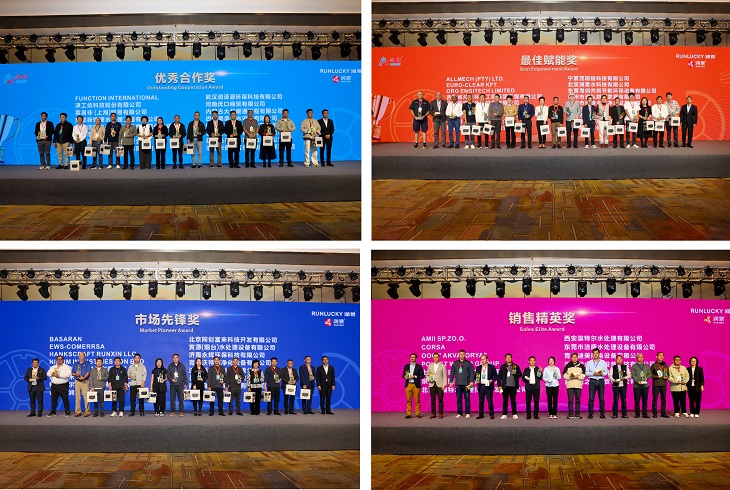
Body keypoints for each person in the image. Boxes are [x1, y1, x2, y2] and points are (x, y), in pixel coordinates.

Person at [449, 349, 474, 418]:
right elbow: (452, 373)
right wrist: (451, 381)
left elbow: (472, 373)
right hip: (458, 384)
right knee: (459, 400)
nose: (462, 355)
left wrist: (471, 381)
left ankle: (467, 413)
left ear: (465, 355)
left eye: (463, 354)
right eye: (460, 354)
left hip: (467, 384)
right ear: (458, 355)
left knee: (467, 399)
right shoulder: (455, 363)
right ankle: (459, 413)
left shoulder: (468, 363)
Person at [497, 353, 522, 419]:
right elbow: (499, 377)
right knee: (505, 401)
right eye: (507, 357)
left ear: (511, 358)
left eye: (509, 357)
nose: (508, 358)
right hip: (505, 386)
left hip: (513, 386)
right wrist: (499, 385)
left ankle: (514, 414)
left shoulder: (515, 366)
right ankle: (504, 414)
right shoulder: (503, 367)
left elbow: (520, 374)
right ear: (505, 359)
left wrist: (515, 373)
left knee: (513, 401)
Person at [586, 347, 608, 419]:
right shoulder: (589, 363)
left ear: (599, 354)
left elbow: (606, 372)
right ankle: (590, 414)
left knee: (601, 398)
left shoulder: (603, 362)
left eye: (597, 353)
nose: (595, 354)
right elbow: (586, 373)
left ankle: (602, 414)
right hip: (592, 381)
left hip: (601, 381)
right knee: (591, 398)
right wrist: (593, 373)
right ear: (592, 354)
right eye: (594, 353)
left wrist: (601, 374)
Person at [563, 353, 585, 419]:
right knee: (570, 400)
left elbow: (584, 374)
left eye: (575, 357)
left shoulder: (581, 366)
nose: (574, 358)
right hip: (570, 385)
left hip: (578, 385)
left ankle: (577, 414)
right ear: (571, 358)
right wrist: (569, 376)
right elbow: (564, 374)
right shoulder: (568, 365)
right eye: (573, 357)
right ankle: (570, 414)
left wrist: (579, 377)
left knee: (578, 400)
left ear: (577, 358)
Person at [475, 354, 497, 419]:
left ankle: (491, 414)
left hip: (488, 386)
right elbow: (476, 376)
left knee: (489, 401)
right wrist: (477, 380)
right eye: (481, 359)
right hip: (481, 386)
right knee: (481, 401)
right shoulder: (478, 367)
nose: (482, 361)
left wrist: (491, 380)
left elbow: (496, 376)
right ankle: (481, 414)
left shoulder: (491, 367)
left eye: (484, 359)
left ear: (487, 359)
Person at [403, 353, 424, 419]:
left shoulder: (419, 366)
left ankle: (417, 414)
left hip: (416, 385)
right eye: (411, 357)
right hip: (408, 384)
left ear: (416, 358)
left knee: (417, 400)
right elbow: (403, 375)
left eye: (413, 357)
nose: (412, 358)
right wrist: (405, 376)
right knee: (408, 400)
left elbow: (422, 376)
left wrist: (414, 376)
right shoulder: (406, 366)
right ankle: (409, 414)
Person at [426, 352, 447, 419]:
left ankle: (440, 413)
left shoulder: (442, 366)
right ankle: (433, 413)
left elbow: (445, 376)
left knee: (440, 400)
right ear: (433, 358)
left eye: (437, 357)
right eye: (434, 357)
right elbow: (427, 375)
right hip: (432, 385)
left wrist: (444, 385)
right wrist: (429, 380)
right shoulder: (430, 366)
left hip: (440, 385)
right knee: (433, 400)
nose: (435, 358)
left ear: (439, 357)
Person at [631, 352, 651, 418]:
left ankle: (644, 414)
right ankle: (637, 414)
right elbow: (633, 375)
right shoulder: (634, 366)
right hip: (637, 386)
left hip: (645, 386)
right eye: (639, 357)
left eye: (642, 357)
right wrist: (637, 381)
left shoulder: (646, 365)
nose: (641, 358)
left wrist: (646, 378)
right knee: (637, 401)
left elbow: (650, 373)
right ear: (637, 358)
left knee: (645, 400)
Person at [651, 351, 670, 418]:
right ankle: (654, 413)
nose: (661, 357)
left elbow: (668, 373)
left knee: (663, 399)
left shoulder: (665, 364)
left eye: (662, 355)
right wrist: (656, 376)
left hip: (664, 384)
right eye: (659, 355)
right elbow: (650, 374)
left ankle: (663, 413)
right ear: (656, 356)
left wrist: (667, 376)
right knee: (655, 399)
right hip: (656, 384)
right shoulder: (654, 365)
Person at [72, 352, 91, 417]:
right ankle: (78, 411)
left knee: (86, 397)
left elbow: (88, 372)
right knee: (77, 397)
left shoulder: (87, 363)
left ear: (84, 356)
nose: (81, 356)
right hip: (77, 381)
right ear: (78, 356)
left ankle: (87, 411)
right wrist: (75, 374)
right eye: (80, 355)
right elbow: (72, 373)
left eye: (82, 355)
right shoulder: (75, 363)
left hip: (85, 381)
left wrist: (84, 377)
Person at [610, 354, 630, 418]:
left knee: (623, 400)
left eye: (620, 359)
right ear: (615, 360)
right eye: (617, 359)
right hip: (616, 386)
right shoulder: (613, 367)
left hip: (623, 386)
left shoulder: (625, 367)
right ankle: (615, 414)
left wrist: (624, 378)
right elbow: (610, 375)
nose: (619, 360)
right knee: (615, 400)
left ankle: (624, 414)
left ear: (622, 360)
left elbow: (629, 375)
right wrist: (614, 380)